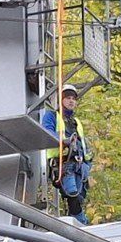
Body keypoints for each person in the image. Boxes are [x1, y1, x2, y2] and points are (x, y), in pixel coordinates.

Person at [41, 86, 92, 224]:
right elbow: (47, 133)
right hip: (63, 164)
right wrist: (64, 141)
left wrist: (88, 164)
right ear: (61, 100)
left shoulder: (76, 122)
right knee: (72, 195)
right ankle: (82, 222)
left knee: (78, 199)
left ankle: (75, 223)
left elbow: (83, 145)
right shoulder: (52, 116)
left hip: (79, 166)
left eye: (73, 99)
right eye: (68, 98)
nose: (71, 101)